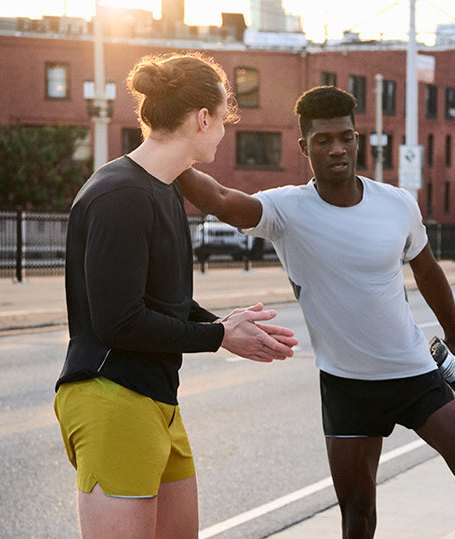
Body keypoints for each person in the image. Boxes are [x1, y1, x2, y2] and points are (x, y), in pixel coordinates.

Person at [177, 85, 455, 538]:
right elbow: (218, 198)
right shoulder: (285, 210)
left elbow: (428, 271)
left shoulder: (396, 204)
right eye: (323, 140)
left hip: (413, 374)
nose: (337, 149)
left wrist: (453, 337)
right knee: (357, 516)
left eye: (346, 137)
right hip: (346, 387)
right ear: (304, 147)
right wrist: (167, 150)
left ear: (358, 139)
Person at [54, 52, 298, 538]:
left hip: (158, 398)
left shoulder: (162, 189)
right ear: (202, 118)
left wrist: (226, 327)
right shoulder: (119, 194)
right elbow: (118, 322)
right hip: (111, 396)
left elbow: (164, 300)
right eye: (224, 118)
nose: (225, 131)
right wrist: (216, 336)